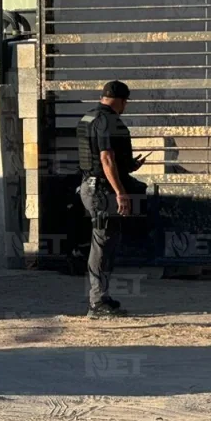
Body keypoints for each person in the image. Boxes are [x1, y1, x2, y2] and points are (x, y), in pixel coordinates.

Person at [77, 80, 147, 318]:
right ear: (118, 99)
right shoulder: (106, 120)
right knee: (102, 244)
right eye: (125, 101)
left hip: (91, 185)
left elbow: (102, 158)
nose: (126, 106)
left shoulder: (88, 117)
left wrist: (130, 165)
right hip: (101, 190)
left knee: (106, 242)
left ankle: (102, 296)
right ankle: (96, 302)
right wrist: (120, 192)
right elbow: (106, 159)